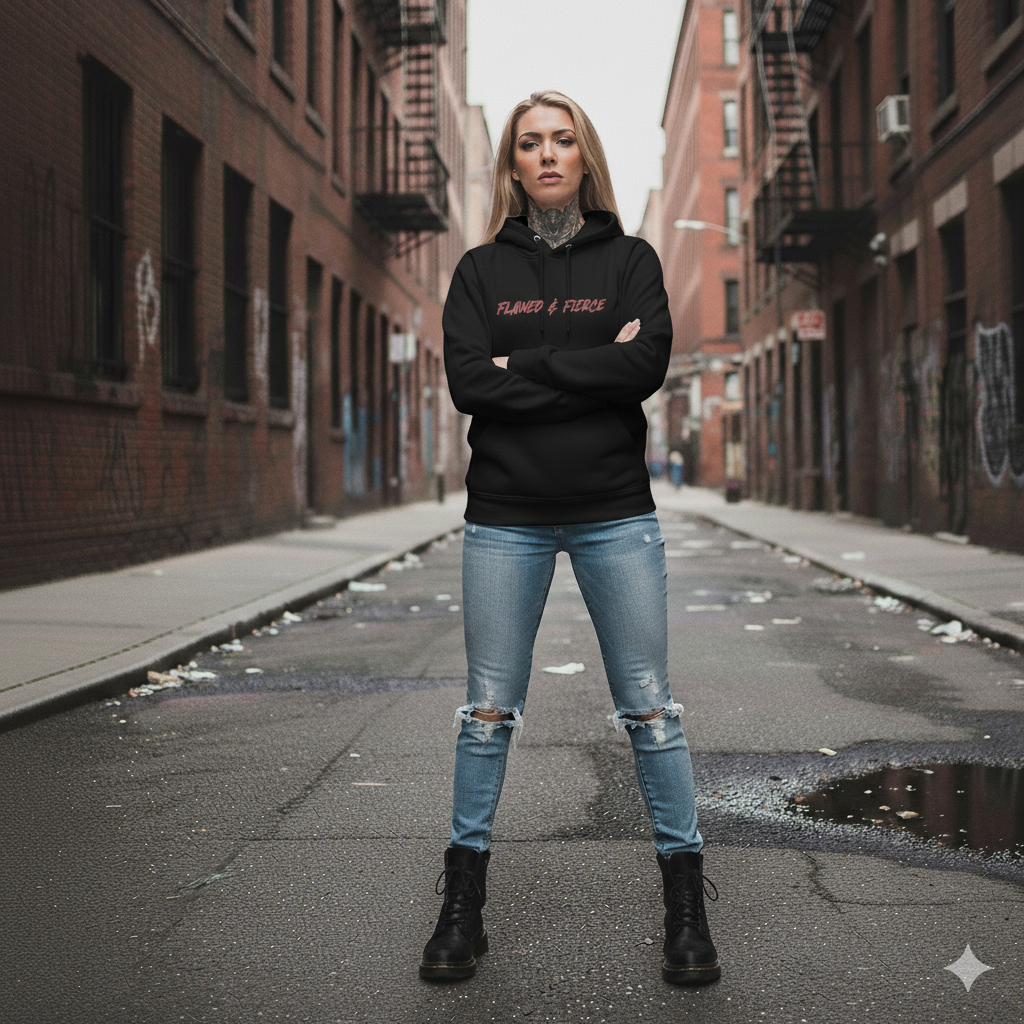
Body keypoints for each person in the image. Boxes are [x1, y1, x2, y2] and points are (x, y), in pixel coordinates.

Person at [419, 91, 720, 987]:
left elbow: (647, 365)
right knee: (486, 715)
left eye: (562, 140)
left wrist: (531, 366)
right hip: (504, 514)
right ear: (511, 165)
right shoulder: (479, 270)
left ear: (584, 155)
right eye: (528, 144)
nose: (547, 155)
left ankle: (687, 910)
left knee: (652, 713)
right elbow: (471, 384)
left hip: (613, 510)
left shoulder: (632, 259)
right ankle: (462, 910)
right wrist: (591, 369)